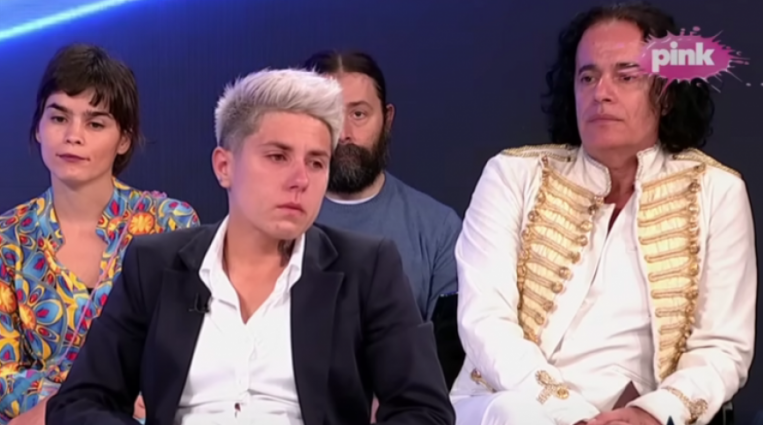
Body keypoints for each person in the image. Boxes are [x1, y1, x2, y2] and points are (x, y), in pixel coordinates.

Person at [45, 68, 454, 425]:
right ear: (224, 166)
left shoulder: (367, 268)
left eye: (316, 162)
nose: (300, 180)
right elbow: (80, 402)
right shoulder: (155, 265)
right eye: (278, 157)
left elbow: (425, 411)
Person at [449, 3, 755, 425]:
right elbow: (485, 320)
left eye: (626, 76)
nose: (601, 93)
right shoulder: (512, 175)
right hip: (512, 403)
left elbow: (722, 347)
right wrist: (565, 412)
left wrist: (654, 413)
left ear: (667, 94)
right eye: (588, 77)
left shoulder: (717, 191)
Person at [0, 44, 199, 425]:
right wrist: (90, 404)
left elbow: (189, 353)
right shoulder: (0, 240)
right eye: (59, 118)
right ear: (38, 128)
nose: (73, 136)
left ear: (124, 139)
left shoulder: (170, 223)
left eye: (95, 123)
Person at [303, 50, 461, 321]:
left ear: (387, 119)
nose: (344, 134)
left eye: (359, 114)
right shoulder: (274, 222)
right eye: (328, 116)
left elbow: (445, 344)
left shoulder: (438, 228)